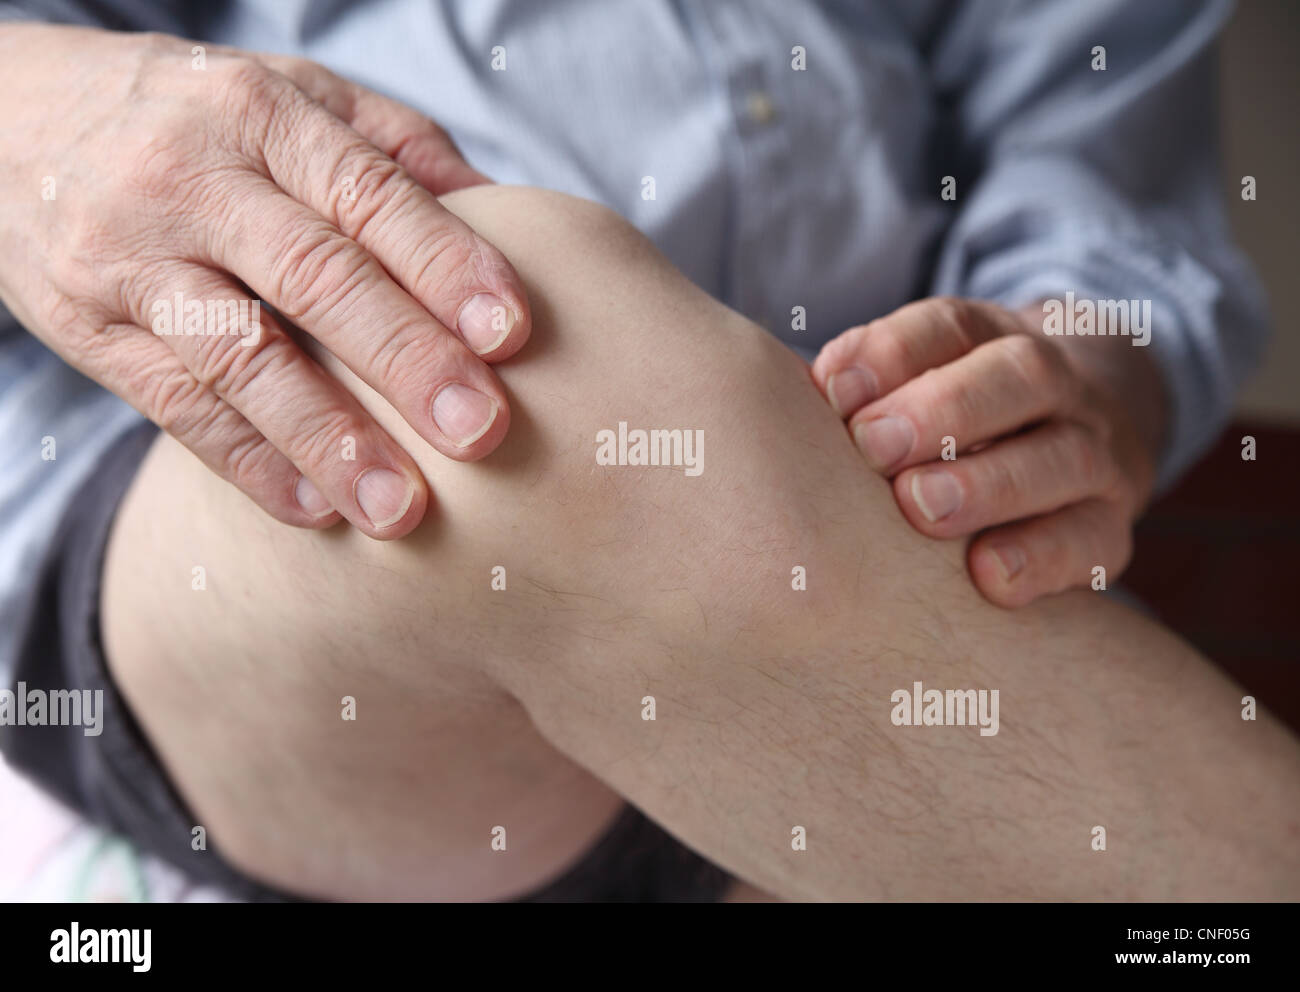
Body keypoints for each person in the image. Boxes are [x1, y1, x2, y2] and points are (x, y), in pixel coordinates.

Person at [0, 2, 1280, 898]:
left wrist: (1077, 376)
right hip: (199, 503)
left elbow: (1096, 186)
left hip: (879, 560)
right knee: (513, 370)